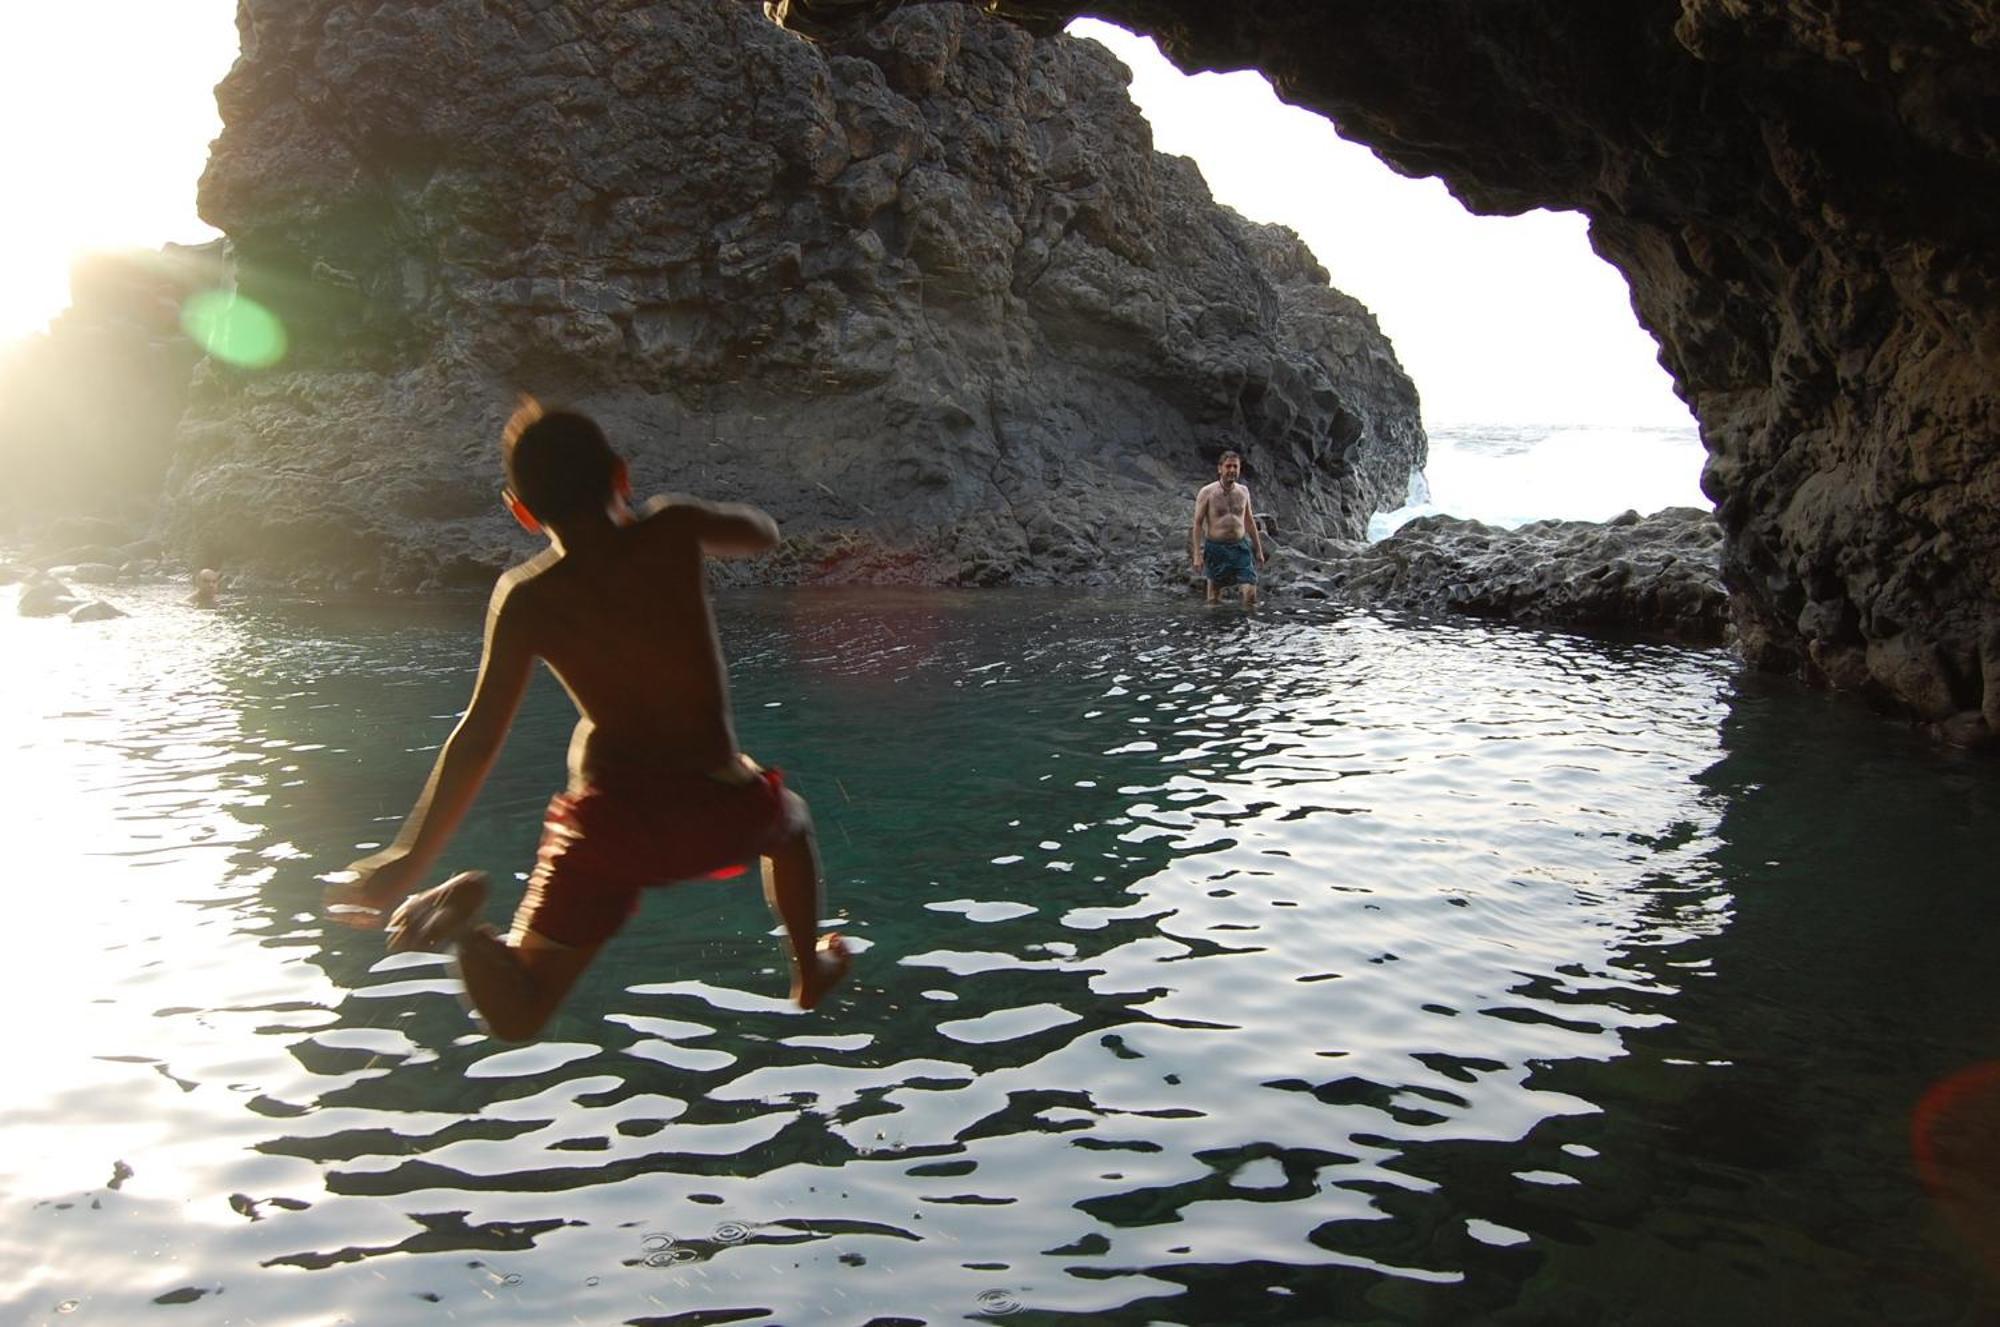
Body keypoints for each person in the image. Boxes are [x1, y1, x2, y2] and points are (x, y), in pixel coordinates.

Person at [324, 399, 849, 1040]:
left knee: (520, 1012)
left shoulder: (528, 598)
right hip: (715, 808)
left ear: (521, 512)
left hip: (605, 830)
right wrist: (698, 519)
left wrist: (407, 860)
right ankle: (808, 967)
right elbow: (761, 533)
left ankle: (463, 928)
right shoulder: (671, 530)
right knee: (789, 822)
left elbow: (479, 738)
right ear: (621, 474)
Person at [1189, 450, 1267, 606]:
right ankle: (1217, 628)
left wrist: (1258, 550)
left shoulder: (1243, 491)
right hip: (1216, 548)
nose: (1232, 470)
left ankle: (1247, 628)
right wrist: (1197, 555)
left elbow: (1249, 521)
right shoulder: (1207, 492)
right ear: (1220, 468)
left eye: (1235, 467)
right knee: (1213, 599)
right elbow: (1197, 524)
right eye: (1228, 466)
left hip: (1240, 548)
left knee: (1250, 595)